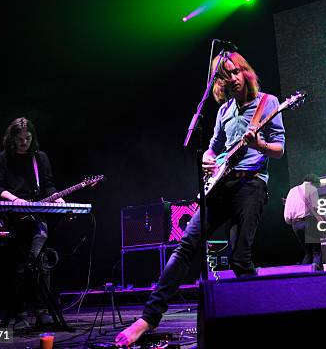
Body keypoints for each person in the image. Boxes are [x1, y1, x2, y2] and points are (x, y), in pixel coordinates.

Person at [116, 51, 285, 346]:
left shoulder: (267, 103)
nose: (232, 79)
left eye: (235, 72)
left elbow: (278, 149)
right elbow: (212, 148)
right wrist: (208, 160)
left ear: (246, 72)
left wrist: (258, 142)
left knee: (239, 258)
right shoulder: (224, 111)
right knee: (185, 245)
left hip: (251, 185)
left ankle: (262, 320)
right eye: (224, 75)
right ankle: (148, 318)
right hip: (219, 185)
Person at [0, 117, 64, 329]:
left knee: (41, 262)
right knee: (20, 266)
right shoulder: (1, 159)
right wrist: (15, 200)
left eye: (28, 138)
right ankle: (20, 315)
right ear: (11, 139)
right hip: (12, 217)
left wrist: (56, 196)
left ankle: (42, 312)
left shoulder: (40, 158)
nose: (24, 143)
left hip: (36, 216)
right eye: (20, 139)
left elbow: (48, 185)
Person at [284, 174, 324, 270]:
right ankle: (317, 274)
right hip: (309, 222)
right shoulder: (312, 189)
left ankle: (303, 274)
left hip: (295, 224)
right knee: (316, 251)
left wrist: (292, 222)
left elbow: (286, 213)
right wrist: (322, 218)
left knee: (307, 252)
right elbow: (316, 207)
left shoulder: (292, 191)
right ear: (314, 182)